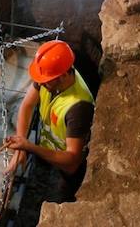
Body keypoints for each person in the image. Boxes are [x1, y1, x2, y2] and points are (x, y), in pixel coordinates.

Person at [6, 40, 95, 202]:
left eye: (45, 80)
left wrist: (29, 147)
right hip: (48, 148)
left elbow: (72, 161)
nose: (40, 83)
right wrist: (21, 145)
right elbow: (26, 105)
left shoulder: (78, 108)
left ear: (63, 76)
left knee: (60, 197)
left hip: (68, 170)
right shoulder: (49, 78)